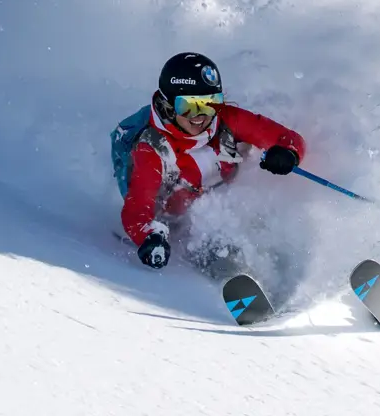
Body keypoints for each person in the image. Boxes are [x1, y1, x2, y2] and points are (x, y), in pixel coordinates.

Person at [115, 52, 306, 271]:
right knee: (214, 239)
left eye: (210, 103)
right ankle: (231, 271)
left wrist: (287, 153)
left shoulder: (226, 119)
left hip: (218, 190)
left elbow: (287, 138)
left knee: (262, 218)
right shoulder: (152, 150)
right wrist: (149, 237)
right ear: (167, 105)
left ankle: (292, 270)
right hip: (177, 214)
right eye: (189, 106)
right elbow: (137, 209)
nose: (202, 115)